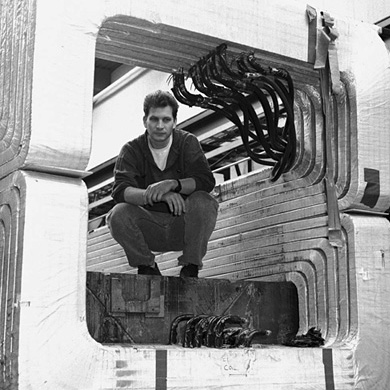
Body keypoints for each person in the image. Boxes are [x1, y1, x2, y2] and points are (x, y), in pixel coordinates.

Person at [107, 90, 219, 278]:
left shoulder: (187, 143)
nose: (160, 126)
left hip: (182, 227)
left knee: (205, 201)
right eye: (154, 119)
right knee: (117, 214)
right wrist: (159, 194)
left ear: (174, 122)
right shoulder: (131, 150)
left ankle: (191, 265)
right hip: (149, 227)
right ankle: (147, 265)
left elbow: (205, 181)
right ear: (145, 121)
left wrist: (172, 184)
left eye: (166, 120)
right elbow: (120, 190)